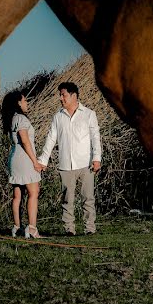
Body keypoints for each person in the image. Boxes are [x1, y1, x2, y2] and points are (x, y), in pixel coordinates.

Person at [37, 82, 102, 235]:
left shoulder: (89, 114)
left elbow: (95, 137)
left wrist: (97, 158)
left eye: (63, 95)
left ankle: (90, 229)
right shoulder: (58, 117)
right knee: (67, 200)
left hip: (86, 164)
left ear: (74, 96)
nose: (61, 98)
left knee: (88, 198)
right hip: (65, 164)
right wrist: (43, 160)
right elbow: (51, 139)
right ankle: (69, 229)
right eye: (60, 95)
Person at [1, 90, 44, 239]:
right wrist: (35, 162)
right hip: (25, 159)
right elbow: (25, 141)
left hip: (14, 159)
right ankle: (32, 228)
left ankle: (17, 227)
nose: (27, 103)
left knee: (17, 195)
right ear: (18, 103)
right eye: (25, 100)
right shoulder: (21, 119)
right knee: (33, 193)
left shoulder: (11, 118)